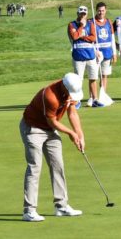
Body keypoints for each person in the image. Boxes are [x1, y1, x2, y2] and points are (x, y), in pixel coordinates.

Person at [20, 72, 85, 222]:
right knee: (35, 167)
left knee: (58, 165)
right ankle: (29, 211)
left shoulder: (70, 90)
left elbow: (72, 113)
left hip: (49, 130)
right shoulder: (50, 96)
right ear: (64, 87)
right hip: (33, 129)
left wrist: (80, 134)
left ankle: (61, 206)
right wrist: (70, 133)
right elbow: (53, 123)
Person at [68, 5, 103, 107]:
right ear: (77, 13)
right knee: (78, 80)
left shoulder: (91, 24)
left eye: (84, 14)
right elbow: (74, 37)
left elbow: (93, 38)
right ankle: (77, 100)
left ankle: (95, 99)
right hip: (78, 56)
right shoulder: (72, 24)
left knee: (93, 78)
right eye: (81, 13)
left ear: (87, 14)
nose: (82, 16)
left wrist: (83, 37)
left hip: (90, 55)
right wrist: (81, 26)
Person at [93, 2, 117, 92]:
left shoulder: (109, 22)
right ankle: (93, 96)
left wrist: (114, 53)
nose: (101, 12)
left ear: (105, 11)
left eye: (103, 10)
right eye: (99, 11)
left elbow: (112, 38)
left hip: (107, 53)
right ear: (96, 11)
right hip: (95, 53)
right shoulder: (92, 22)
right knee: (94, 76)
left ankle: (103, 94)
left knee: (104, 75)